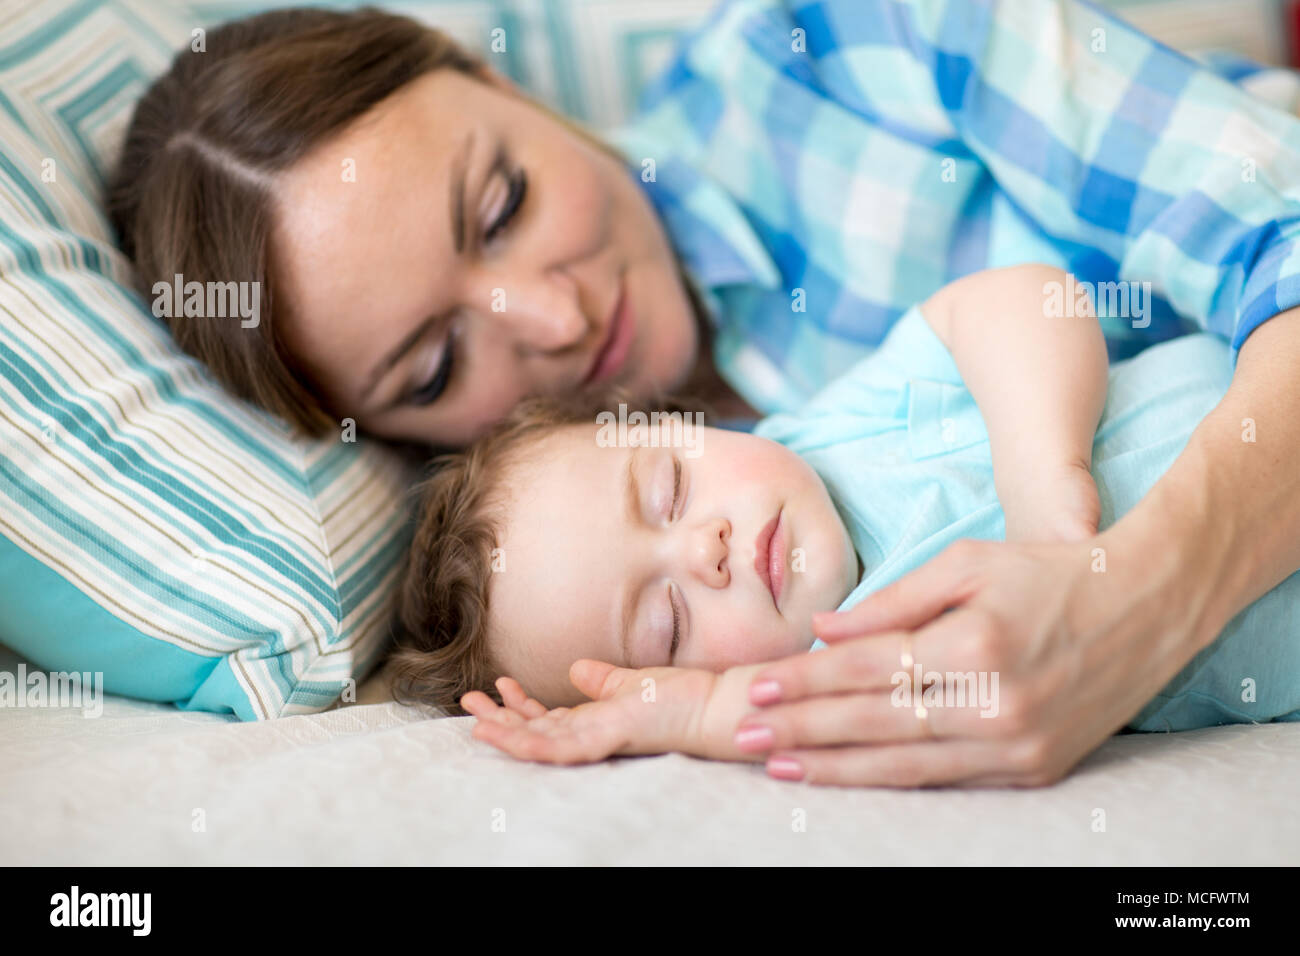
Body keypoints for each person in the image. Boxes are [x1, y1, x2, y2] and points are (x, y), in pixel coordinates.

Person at [108, 1, 1300, 786]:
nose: (558, 320)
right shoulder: (549, 555)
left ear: (493, 80)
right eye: (432, 367)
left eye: (503, 206)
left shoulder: (854, 40)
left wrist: (1124, 595)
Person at [392, 265, 1299, 783]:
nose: (702, 550)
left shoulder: (836, 426)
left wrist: (1045, 494)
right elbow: (767, 713)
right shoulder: (841, 666)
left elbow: (1020, 300)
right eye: (666, 625)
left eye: (670, 488)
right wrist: (688, 715)